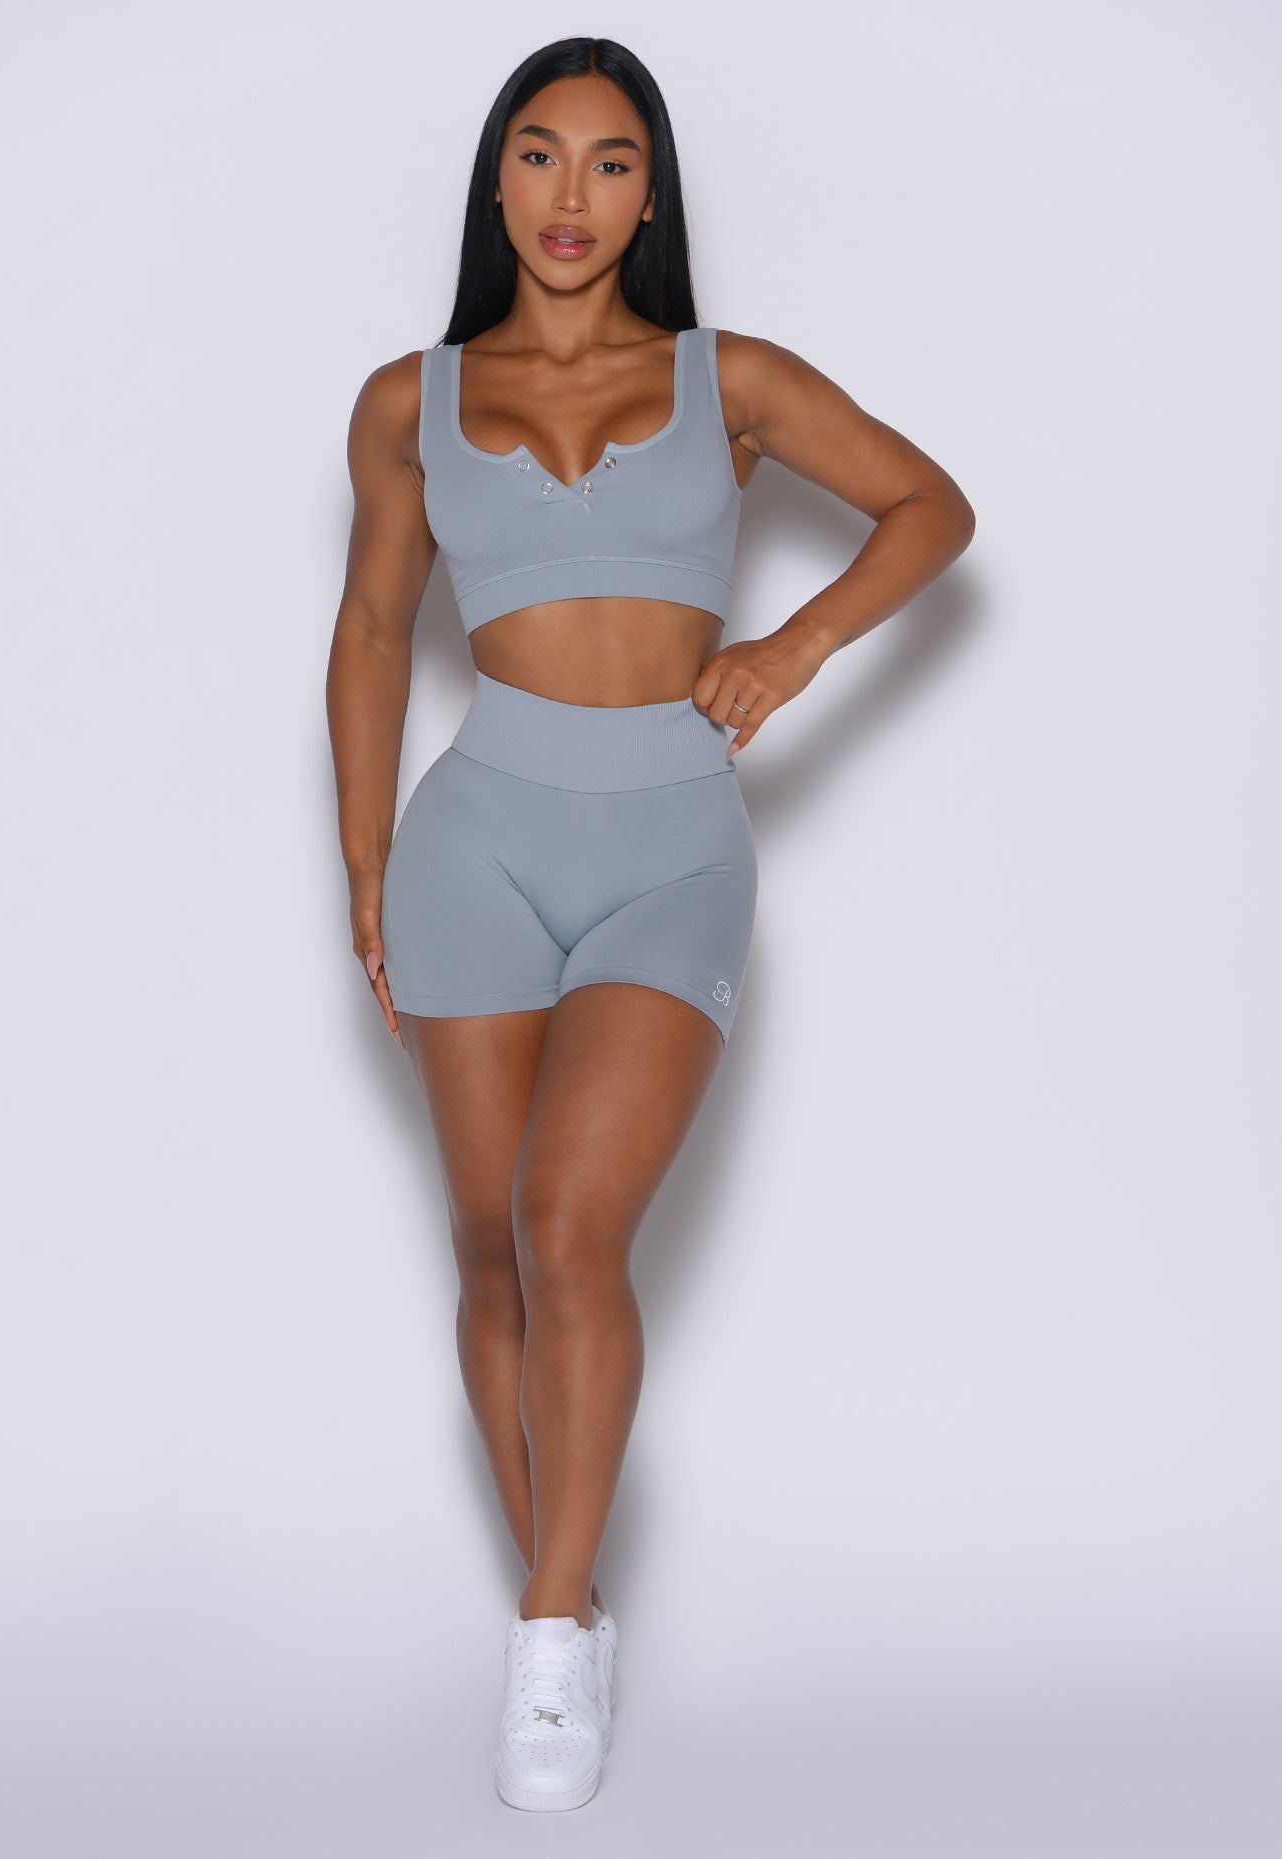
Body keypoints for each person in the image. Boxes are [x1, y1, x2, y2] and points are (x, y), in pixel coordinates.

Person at [325, 36, 975, 1813]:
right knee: (486, 1249)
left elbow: (932, 505)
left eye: (613, 163)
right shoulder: (405, 402)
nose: (572, 195)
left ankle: (548, 1635)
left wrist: (796, 645)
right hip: (474, 843)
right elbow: (373, 632)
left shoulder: (727, 377)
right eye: (541, 155)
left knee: (568, 1225)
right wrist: (364, 864)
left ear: (651, 197)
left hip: (673, 847)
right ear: (498, 180)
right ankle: (577, 1598)